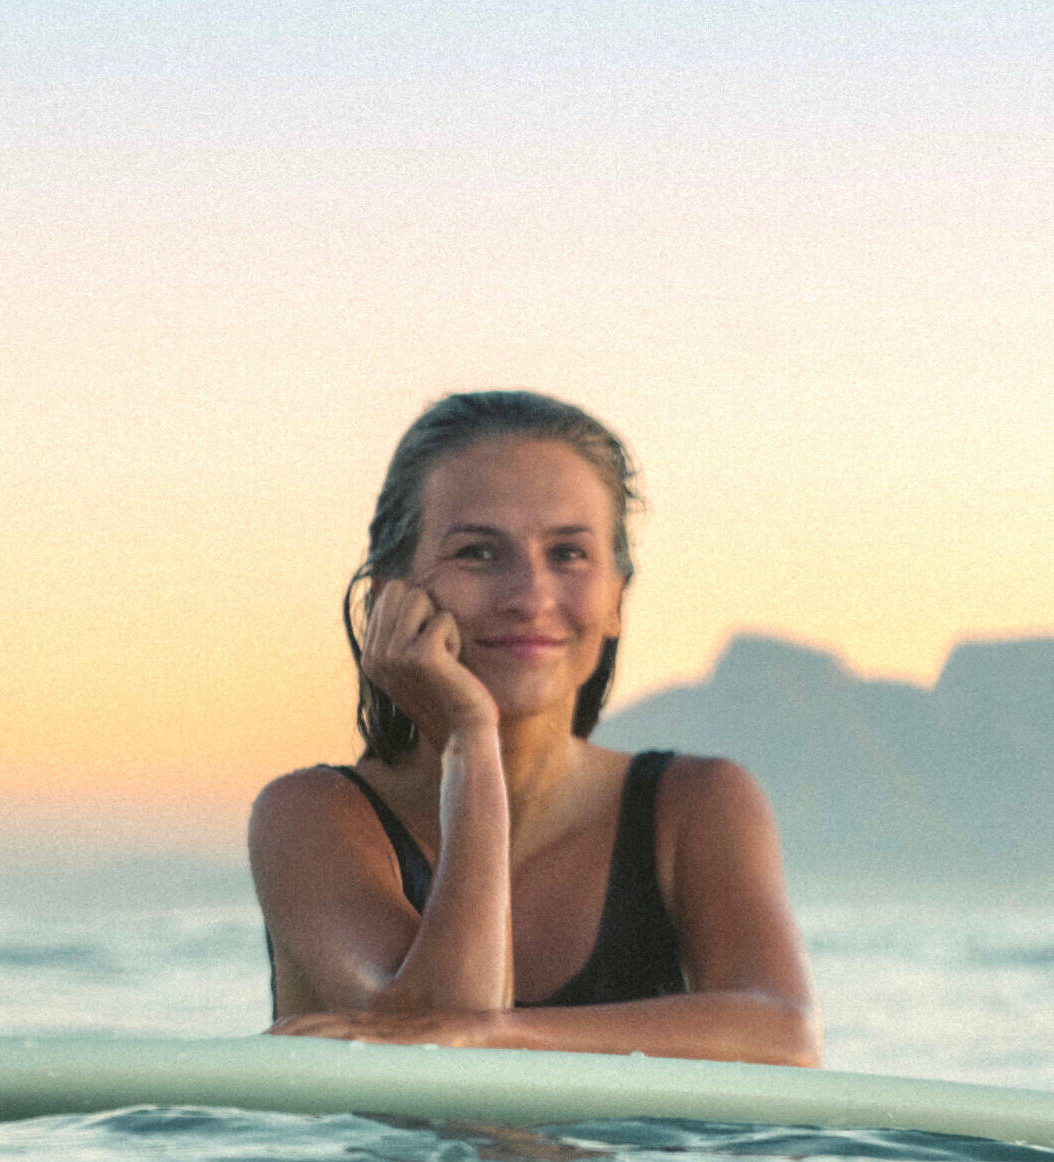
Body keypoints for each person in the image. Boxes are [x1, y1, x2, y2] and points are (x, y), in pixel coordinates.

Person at [249, 391, 822, 1067]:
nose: (529, 597)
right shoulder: (312, 817)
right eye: (479, 554)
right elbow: (440, 1066)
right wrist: (470, 741)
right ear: (388, 597)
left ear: (617, 599)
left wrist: (504, 1033)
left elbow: (785, 1037)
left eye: (569, 555)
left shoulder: (695, 804)